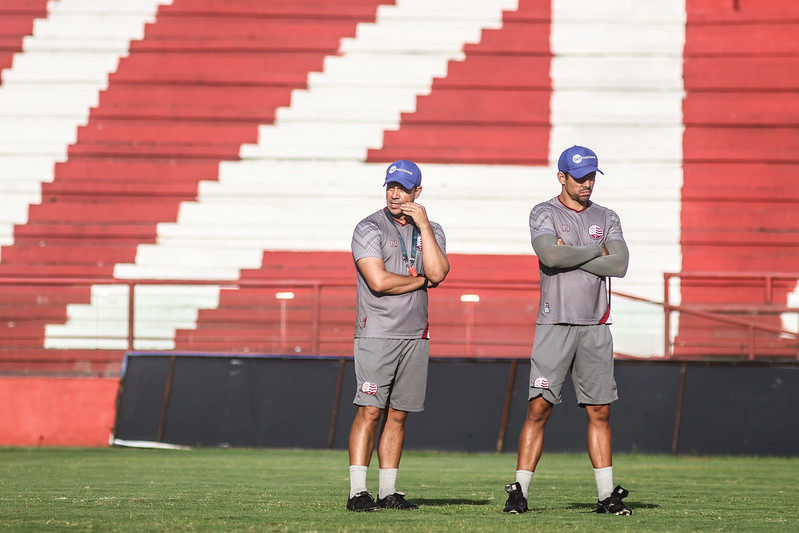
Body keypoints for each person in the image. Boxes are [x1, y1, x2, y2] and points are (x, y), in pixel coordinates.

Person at [503, 145, 632, 516]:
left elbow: (620, 264)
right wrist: (597, 251)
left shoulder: (607, 216)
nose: (588, 183)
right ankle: (519, 492)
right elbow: (550, 256)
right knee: (539, 407)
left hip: (595, 326)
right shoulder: (544, 211)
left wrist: (576, 251)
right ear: (562, 177)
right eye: (580, 177)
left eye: (592, 176)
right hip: (554, 323)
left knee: (600, 412)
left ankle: (606, 495)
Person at [346, 159, 450, 512]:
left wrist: (423, 225)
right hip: (376, 334)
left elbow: (441, 272)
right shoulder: (369, 227)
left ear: (417, 192)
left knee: (399, 415)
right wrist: (421, 281)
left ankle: (388, 491)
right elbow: (379, 281)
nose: (394, 194)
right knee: (370, 412)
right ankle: (357, 492)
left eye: (402, 188)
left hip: (416, 335)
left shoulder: (430, 229)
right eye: (390, 186)